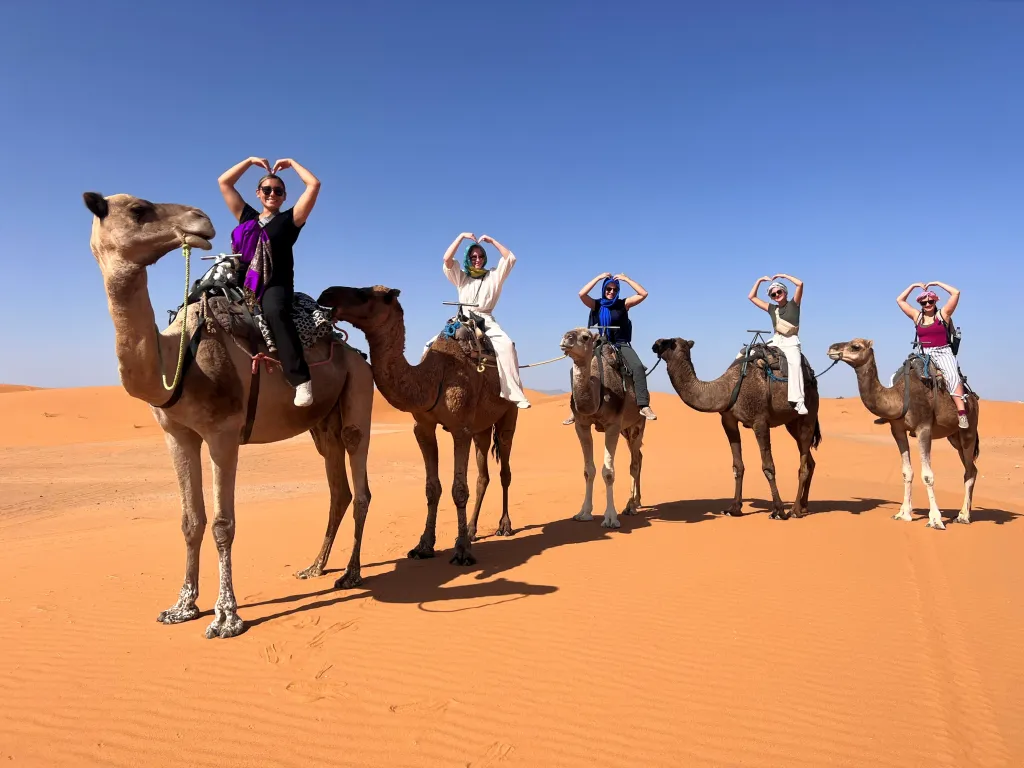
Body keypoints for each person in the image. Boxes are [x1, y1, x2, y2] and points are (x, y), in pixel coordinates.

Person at [217, 156, 321, 407]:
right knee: (204, 300)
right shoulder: (247, 217)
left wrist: (294, 163)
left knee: (274, 311)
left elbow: (314, 185)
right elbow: (225, 182)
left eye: (278, 191)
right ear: (258, 193)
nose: (272, 193)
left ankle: (301, 380)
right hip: (241, 283)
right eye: (267, 189)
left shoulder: (290, 220)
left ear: (284, 196)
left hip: (276, 285)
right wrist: (249, 162)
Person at [430, 232, 531, 409]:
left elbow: (510, 258)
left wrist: (492, 241)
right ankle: (429, 391)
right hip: (462, 318)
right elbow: (447, 259)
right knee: (429, 346)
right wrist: (461, 237)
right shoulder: (461, 277)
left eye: (481, 256)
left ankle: (513, 392)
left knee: (506, 346)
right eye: (473, 256)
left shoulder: (494, 275)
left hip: (485, 319)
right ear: (468, 258)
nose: (477, 259)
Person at [563, 273, 657, 425]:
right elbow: (582, 294)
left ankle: (643, 405)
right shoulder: (597, 304)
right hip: (600, 342)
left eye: (614, 289)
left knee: (637, 367)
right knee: (575, 369)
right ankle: (574, 408)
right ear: (604, 289)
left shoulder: (623, 304)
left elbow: (643, 293)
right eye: (608, 288)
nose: (611, 292)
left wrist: (626, 279)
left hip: (620, 343)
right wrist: (598, 278)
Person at [897, 280, 969, 429]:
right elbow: (900, 300)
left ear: (935, 301)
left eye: (930, 301)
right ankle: (900, 412)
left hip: (943, 352)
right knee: (899, 375)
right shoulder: (917, 317)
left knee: (952, 377)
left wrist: (937, 284)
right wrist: (913, 286)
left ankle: (962, 413)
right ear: (921, 305)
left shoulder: (943, 315)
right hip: (924, 354)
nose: (928, 304)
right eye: (924, 303)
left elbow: (956, 293)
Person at [748, 273, 808, 415]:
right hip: (776, 339)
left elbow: (800, 284)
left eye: (779, 292)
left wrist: (784, 276)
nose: (776, 295)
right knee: (749, 353)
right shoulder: (771, 309)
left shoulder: (794, 304)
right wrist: (759, 280)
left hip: (791, 340)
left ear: (785, 292)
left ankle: (798, 401)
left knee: (795, 364)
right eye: (773, 294)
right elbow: (751, 297)